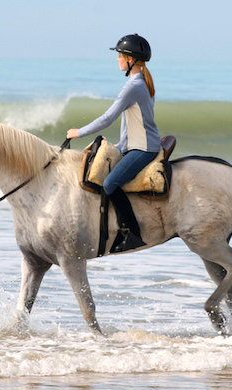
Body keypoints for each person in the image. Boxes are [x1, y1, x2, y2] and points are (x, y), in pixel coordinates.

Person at [67, 33, 161, 253]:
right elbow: (133, 122)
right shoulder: (141, 83)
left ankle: (132, 233)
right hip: (134, 145)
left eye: (120, 55)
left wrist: (78, 132)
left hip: (144, 148)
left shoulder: (133, 86)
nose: (117, 59)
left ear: (130, 59)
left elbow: (107, 118)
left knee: (110, 184)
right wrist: (120, 146)